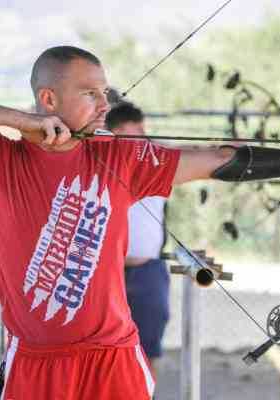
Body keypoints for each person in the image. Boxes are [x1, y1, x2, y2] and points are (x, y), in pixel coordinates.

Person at [0, 45, 280, 400]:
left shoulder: (119, 157)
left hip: (112, 358)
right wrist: (21, 122)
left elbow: (217, 159)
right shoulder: (0, 161)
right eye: (91, 94)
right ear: (49, 99)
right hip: (35, 361)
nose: (105, 105)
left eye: (106, 93)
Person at [106, 102, 169, 379]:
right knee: (103, 353)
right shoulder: (98, 160)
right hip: (107, 273)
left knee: (146, 353)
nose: (145, 135)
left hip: (147, 271)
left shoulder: (157, 158)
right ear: (116, 132)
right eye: (137, 130)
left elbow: (197, 155)